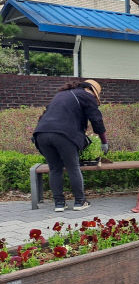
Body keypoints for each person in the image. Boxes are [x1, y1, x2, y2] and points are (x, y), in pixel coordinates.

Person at [32, 79, 108, 212]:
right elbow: (96, 119)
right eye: (95, 96)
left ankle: (59, 204)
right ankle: (80, 202)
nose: (94, 98)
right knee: (73, 167)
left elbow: (45, 114)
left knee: (55, 169)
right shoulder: (86, 95)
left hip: (41, 134)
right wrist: (104, 141)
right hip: (64, 135)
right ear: (91, 90)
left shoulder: (61, 95)